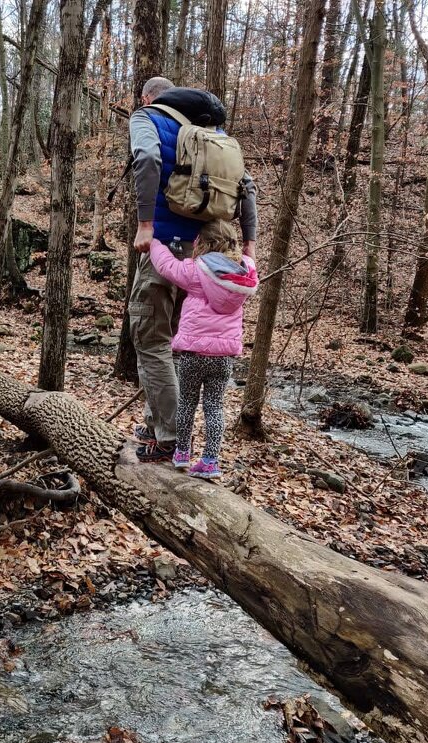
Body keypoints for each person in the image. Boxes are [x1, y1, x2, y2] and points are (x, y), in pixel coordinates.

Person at [128, 77, 258, 462]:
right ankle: (161, 428)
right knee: (178, 343)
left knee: (151, 339)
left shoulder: (147, 117)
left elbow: (148, 159)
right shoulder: (212, 128)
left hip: (165, 248)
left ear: (148, 97)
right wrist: (248, 242)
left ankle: (168, 437)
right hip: (209, 253)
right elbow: (247, 188)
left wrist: (146, 224)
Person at [147, 220, 258, 479]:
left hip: (193, 354)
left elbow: (166, 266)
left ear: (203, 244)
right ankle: (210, 461)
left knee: (187, 403)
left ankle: (182, 454)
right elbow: (250, 258)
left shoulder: (197, 271)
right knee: (214, 406)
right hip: (223, 358)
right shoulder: (244, 274)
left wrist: (154, 241)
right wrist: (249, 246)